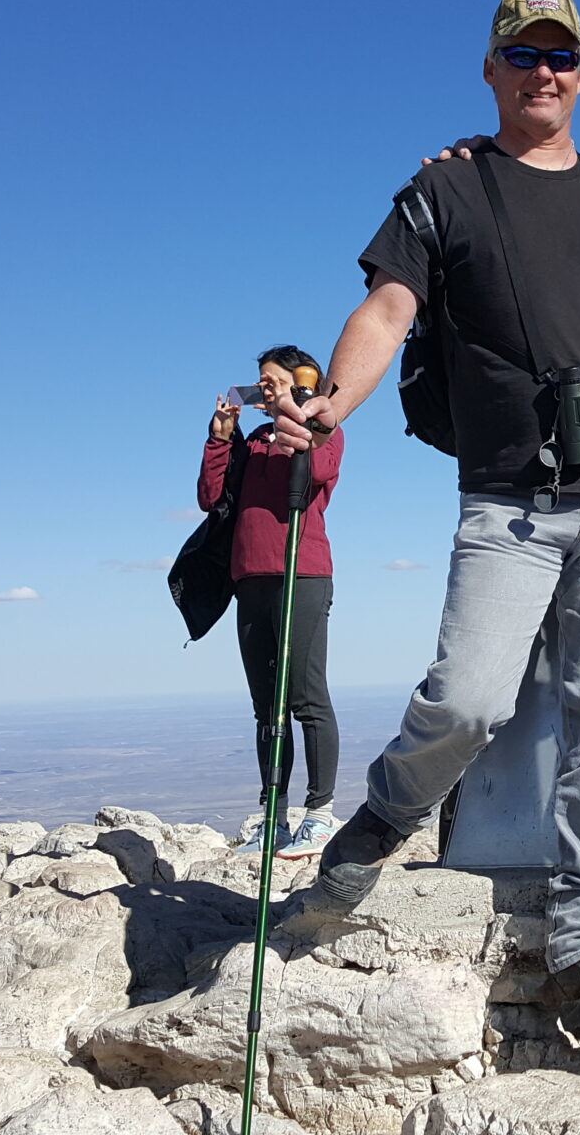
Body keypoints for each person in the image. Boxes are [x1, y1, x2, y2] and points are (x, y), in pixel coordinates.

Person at [266, 0, 580, 1021]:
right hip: (510, 504)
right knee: (470, 700)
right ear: (490, 70)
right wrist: (330, 403)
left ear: (576, 72)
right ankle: (379, 826)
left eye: (559, 57)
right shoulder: (444, 192)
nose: (544, 73)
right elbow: (386, 309)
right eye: (522, 56)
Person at [200, 345, 345, 858]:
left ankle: (321, 815)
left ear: (300, 382)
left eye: (272, 381)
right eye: (260, 382)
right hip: (251, 579)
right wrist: (222, 440)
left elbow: (318, 475)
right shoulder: (255, 439)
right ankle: (274, 815)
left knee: (306, 697)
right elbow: (211, 497)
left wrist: (297, 425)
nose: (263, 388)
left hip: (300, 574)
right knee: (267, 705)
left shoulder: (321, 430)